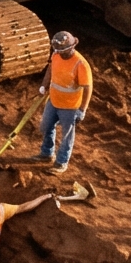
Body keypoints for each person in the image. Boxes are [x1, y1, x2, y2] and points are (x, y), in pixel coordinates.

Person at [39, 31, 93, 172]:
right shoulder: (56, 55)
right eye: (57, 50)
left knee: (67, 136)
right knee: (45, 126)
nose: (59, 53)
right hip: (54, 100)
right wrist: (44, 85)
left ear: (71, 47)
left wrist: (82, 110)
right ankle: (47, 153)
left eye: (62, 50)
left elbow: (87, 88)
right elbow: (50, 69)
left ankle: (62, 162)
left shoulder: (80, 64)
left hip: (70, 107)